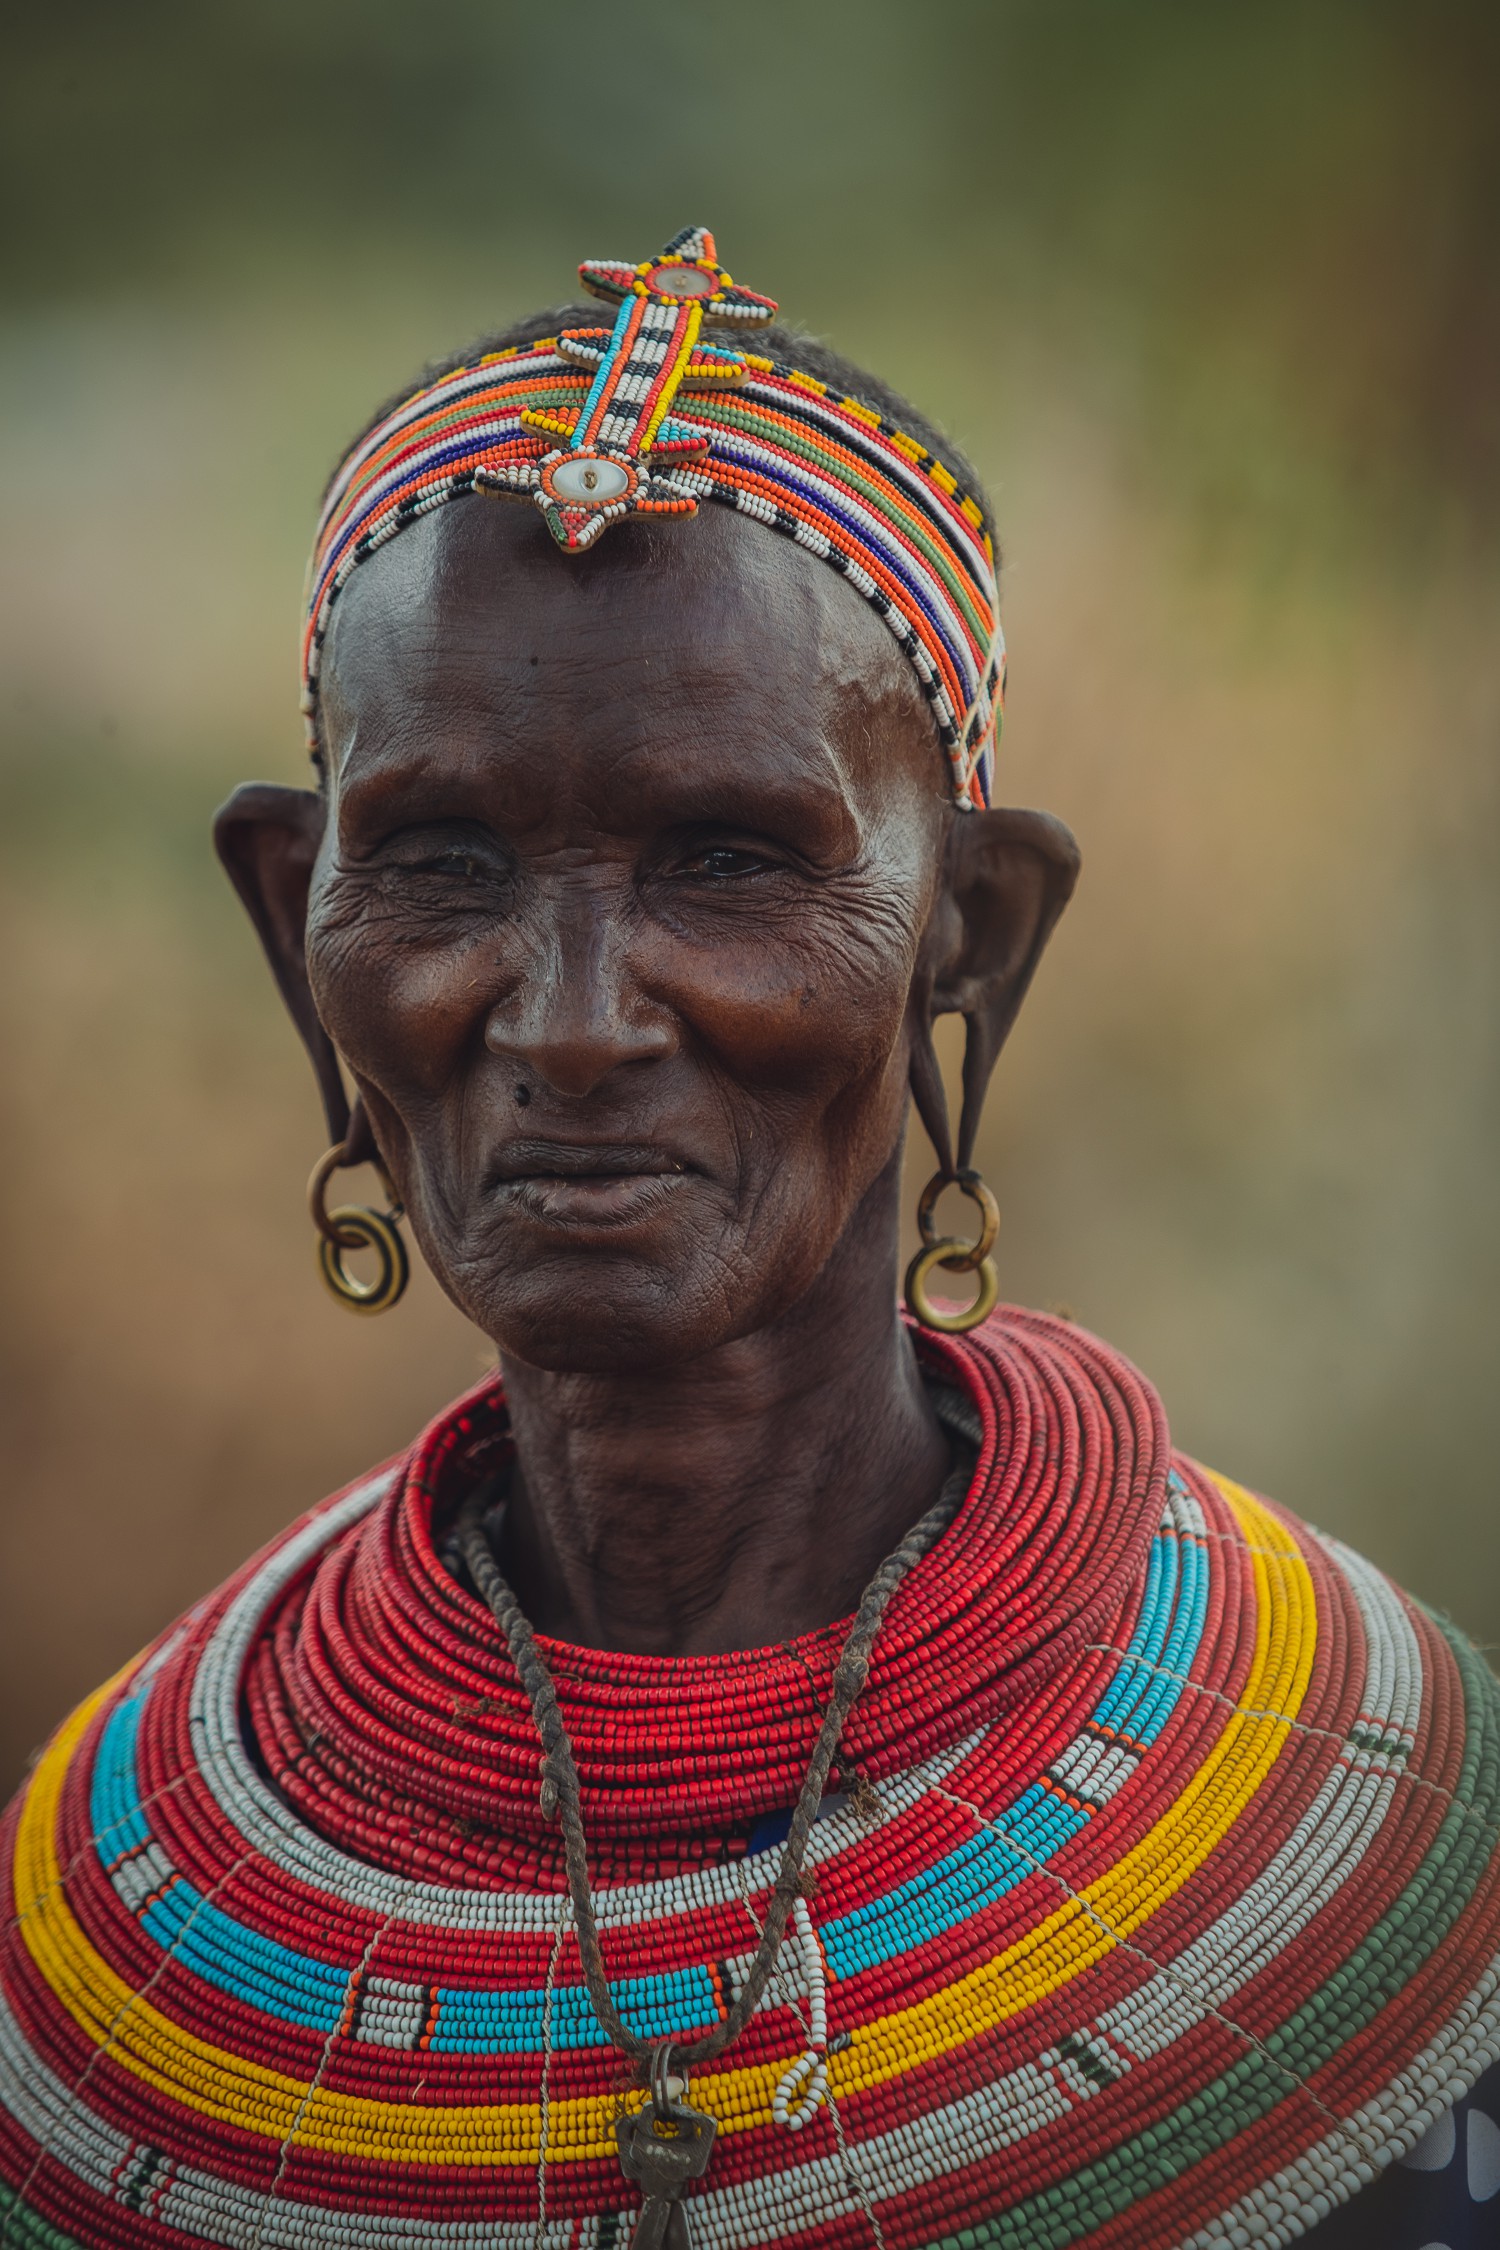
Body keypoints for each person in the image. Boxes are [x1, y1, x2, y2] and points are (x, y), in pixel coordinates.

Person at [1, 228, 1496, 2250]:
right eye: (441, 858)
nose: (573, 1021)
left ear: (969, 937)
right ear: (294, 920)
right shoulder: (124, 1913)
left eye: (728, 861)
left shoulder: (1374, 1814)